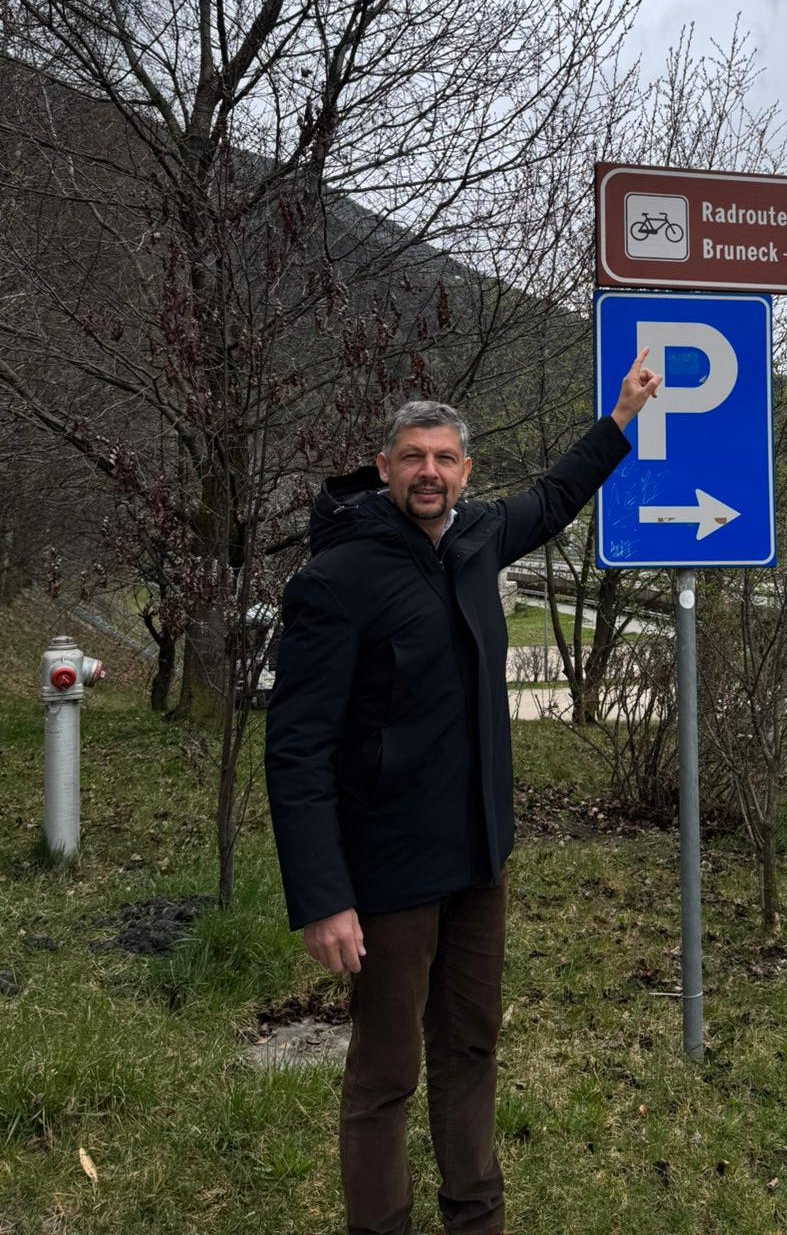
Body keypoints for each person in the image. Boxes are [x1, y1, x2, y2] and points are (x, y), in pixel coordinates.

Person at [264, 351, 660, 1235]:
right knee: (385, 1075)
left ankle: (475, 1219)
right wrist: (324, 899)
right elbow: (294, 751)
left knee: (471, 1048)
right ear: (383, 469)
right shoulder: (337, 581)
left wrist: (623, 415)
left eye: (445, 458)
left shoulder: (478, 538)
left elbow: (556, 497)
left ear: (466, 470)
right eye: (413, 457)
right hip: (391, 870)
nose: (430, 473)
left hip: (480, 858)